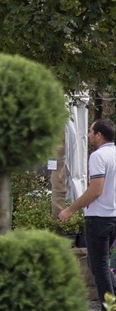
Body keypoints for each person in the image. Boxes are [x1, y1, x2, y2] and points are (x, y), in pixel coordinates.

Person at [59, 118, 116, 298]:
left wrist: (70, 210)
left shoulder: (98, 156)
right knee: (99, 264)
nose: (89, 135)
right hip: (113, 215)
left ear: (99, 135)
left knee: (98, 265)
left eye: (91, 131)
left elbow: (95, 189)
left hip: (99, 217)